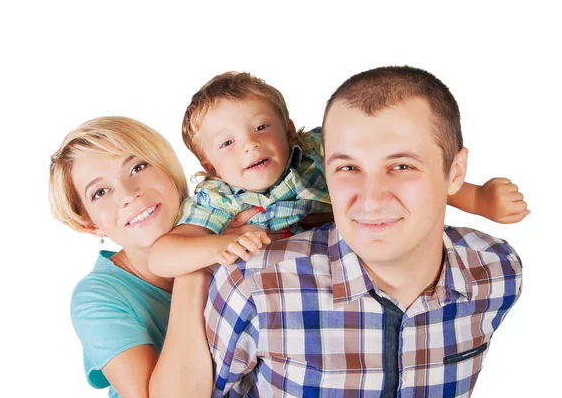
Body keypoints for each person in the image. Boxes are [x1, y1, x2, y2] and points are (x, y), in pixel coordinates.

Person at [205, 66, 524, 397]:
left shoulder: (497, 271)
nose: (371, 200)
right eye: (348, 167)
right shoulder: (251, 283)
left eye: (401, 166)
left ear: (455, 172)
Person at [148, 71, 528, 278]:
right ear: (210, 167)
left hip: (361, 252)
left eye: (261, 128)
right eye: (227, 144)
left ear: (289, 129)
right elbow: (162, 256)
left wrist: (477, 198)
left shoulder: (317, 150)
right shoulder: (220, 197)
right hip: (285, 278)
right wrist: (216, 246)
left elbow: (405, 170)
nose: (250, 145)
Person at [49, 116, 215, 398]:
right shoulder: (97, 298)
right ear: (90, 224)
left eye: (138, 167)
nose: (128, 194)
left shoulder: (232, 218)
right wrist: (192, 262)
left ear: (168, 170)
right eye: (100, 192)